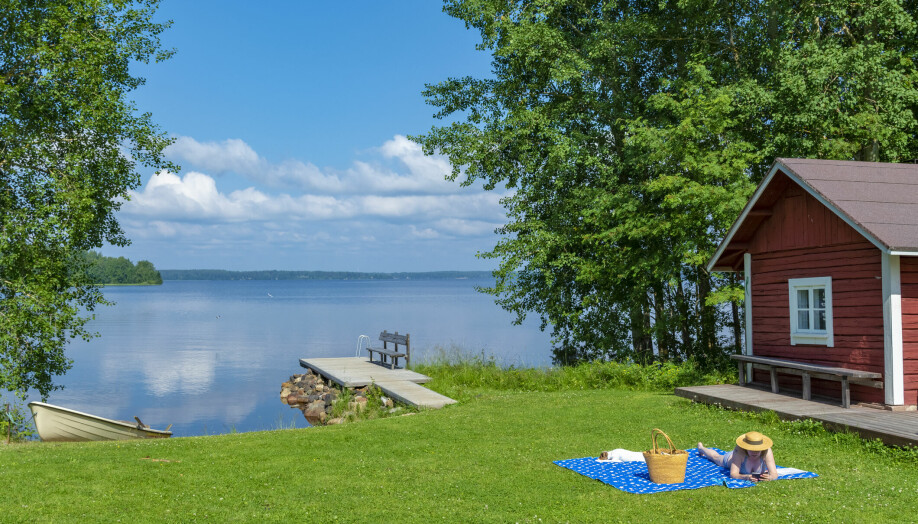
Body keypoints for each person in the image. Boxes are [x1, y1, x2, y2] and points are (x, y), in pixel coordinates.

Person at [697, 431, 777, 482]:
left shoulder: (766, 451)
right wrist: (746, 477)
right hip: (731, 459)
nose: (755, 452)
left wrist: (769, 478)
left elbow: (774, 474)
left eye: (757, 449)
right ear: (746, 447)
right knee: (716, 458)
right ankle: (701, 448)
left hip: (740, 458)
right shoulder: (739, 452)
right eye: (751, 449)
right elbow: (733, 474)